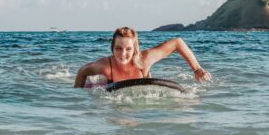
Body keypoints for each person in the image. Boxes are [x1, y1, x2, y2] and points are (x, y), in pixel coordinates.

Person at [74, 27, 212, 88]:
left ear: (135, 49)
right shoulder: (104, 66)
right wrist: (77, 95)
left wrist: (197, 70)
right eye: (118, 48)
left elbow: (177, 42)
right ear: (112, 48)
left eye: (128, 49)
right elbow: (82, 71)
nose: (123, 54)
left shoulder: (144, 60)